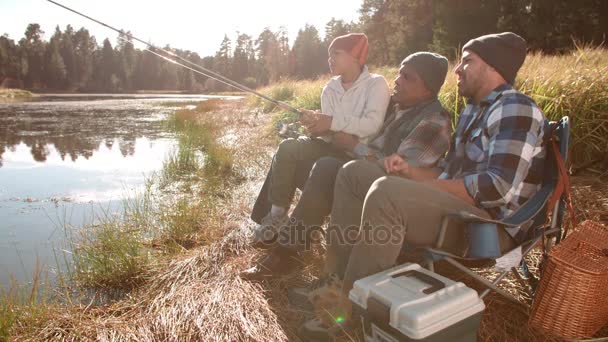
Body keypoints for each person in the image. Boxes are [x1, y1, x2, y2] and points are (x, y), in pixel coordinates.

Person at [298, 32, 548, 340]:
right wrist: (411, 171)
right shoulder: (474, 110)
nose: (457, 70)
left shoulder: (515, 108)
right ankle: (332, 284)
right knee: (354, 173)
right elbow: (448, 175)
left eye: (467, 61)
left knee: (386, 190)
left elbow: (495, 187)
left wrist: (421, 189)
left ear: (494, 68)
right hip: (461, 208)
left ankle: (349, 313)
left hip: (489, 224)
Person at [243, 52, 453, 280]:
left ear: (428, 89)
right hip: (357, 176)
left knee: (326, 168)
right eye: (399, 72)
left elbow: (400, 172)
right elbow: (354, 123)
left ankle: (289, 254)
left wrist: (354, 145)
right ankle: (277, 230)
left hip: (388, 199)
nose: (397, 79)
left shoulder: (434, 121)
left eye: (408, 77)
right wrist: (323, 125)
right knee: (296, 153)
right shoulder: (395, 108)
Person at [249, 33, 390, 247]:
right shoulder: (329, 88)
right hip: (330, 146)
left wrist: (330, 122)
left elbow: (371, 125)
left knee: (312, 160)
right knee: (288, 147)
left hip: (358, 156)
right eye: (328, 55)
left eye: (336, 54)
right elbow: (329, 133)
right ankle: (276, 216)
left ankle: (282, 228)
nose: (330, 59)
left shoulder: (376, 84)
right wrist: (315, 125)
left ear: (355, 56)